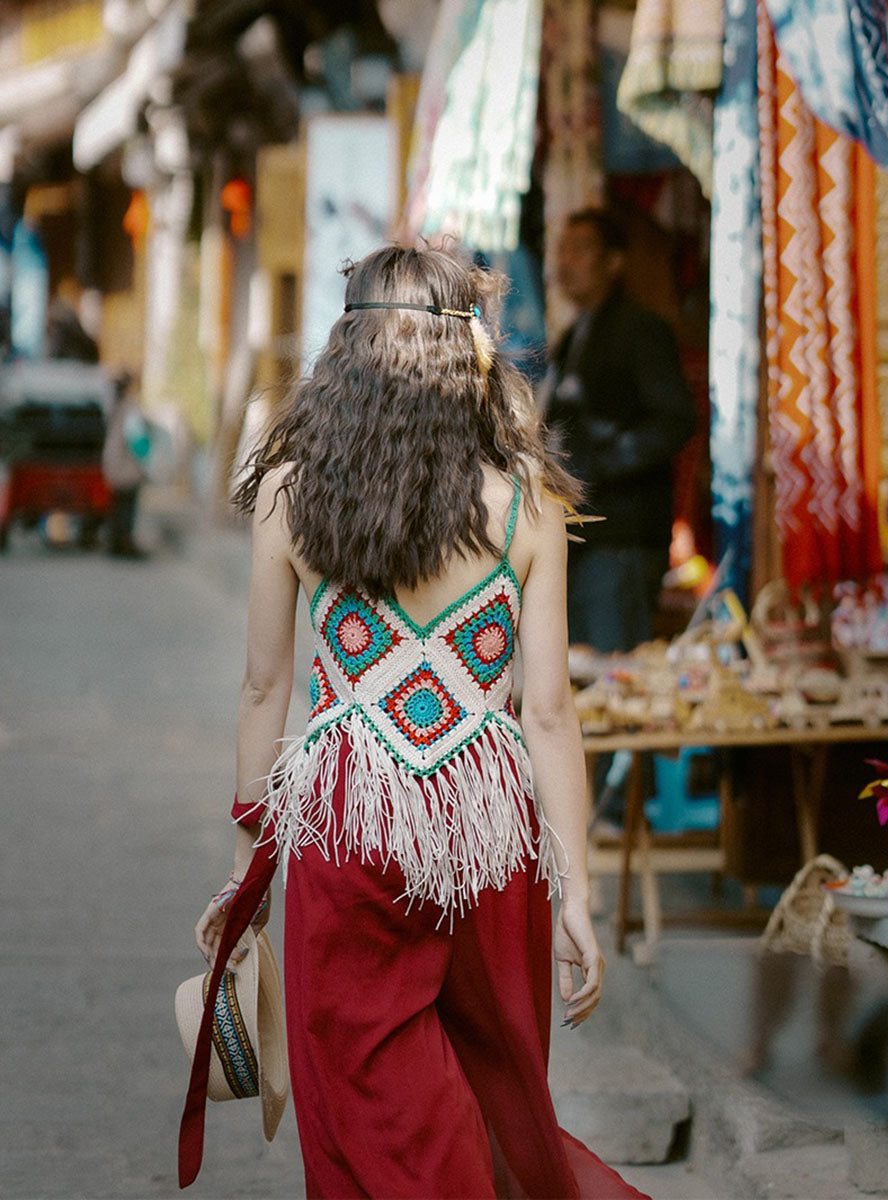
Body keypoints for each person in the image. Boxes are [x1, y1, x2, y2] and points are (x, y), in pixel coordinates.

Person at [185, 245, 650, 1199]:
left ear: (344, 354)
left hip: (346, 820)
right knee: (502, 1102)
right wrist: (577, 896)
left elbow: (264, 693)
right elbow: (551, 715)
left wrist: (245, 879)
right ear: (468, 357)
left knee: (364, 1116)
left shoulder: (289, 495)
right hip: (490, 833)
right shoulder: (529, 503)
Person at [543, 208, 696, 655]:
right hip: (584, 536)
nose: (565, 261)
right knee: (582, 670)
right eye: (561, 249)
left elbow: (675, 420)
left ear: (614, 262)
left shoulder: (640, 330)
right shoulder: (574, 337)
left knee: (617, 668)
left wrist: (602, 461)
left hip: (623, 539)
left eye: (581, 249)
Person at [101, 369, 148, 558]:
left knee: (116, 504)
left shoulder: (112, 405)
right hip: (127, 464)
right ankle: (125, 543)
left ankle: (114, 542)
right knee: (128, 506)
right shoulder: (130, 407)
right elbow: (137, 438)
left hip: (112, 460)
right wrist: (148, 459)